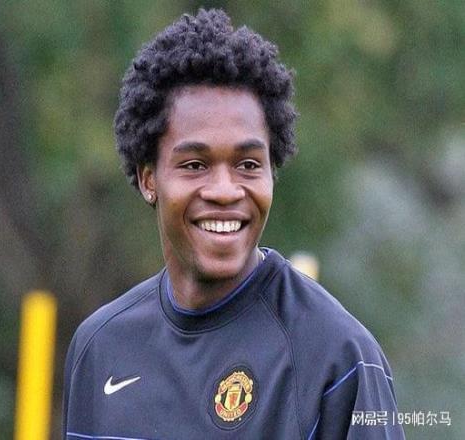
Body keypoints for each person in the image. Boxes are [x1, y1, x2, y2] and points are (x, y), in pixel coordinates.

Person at [63, 9, 405, 439]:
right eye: (194, 164)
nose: (225, 191)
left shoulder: (338, 358)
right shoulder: (100, 347)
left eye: (248, 164)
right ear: (149, 179)